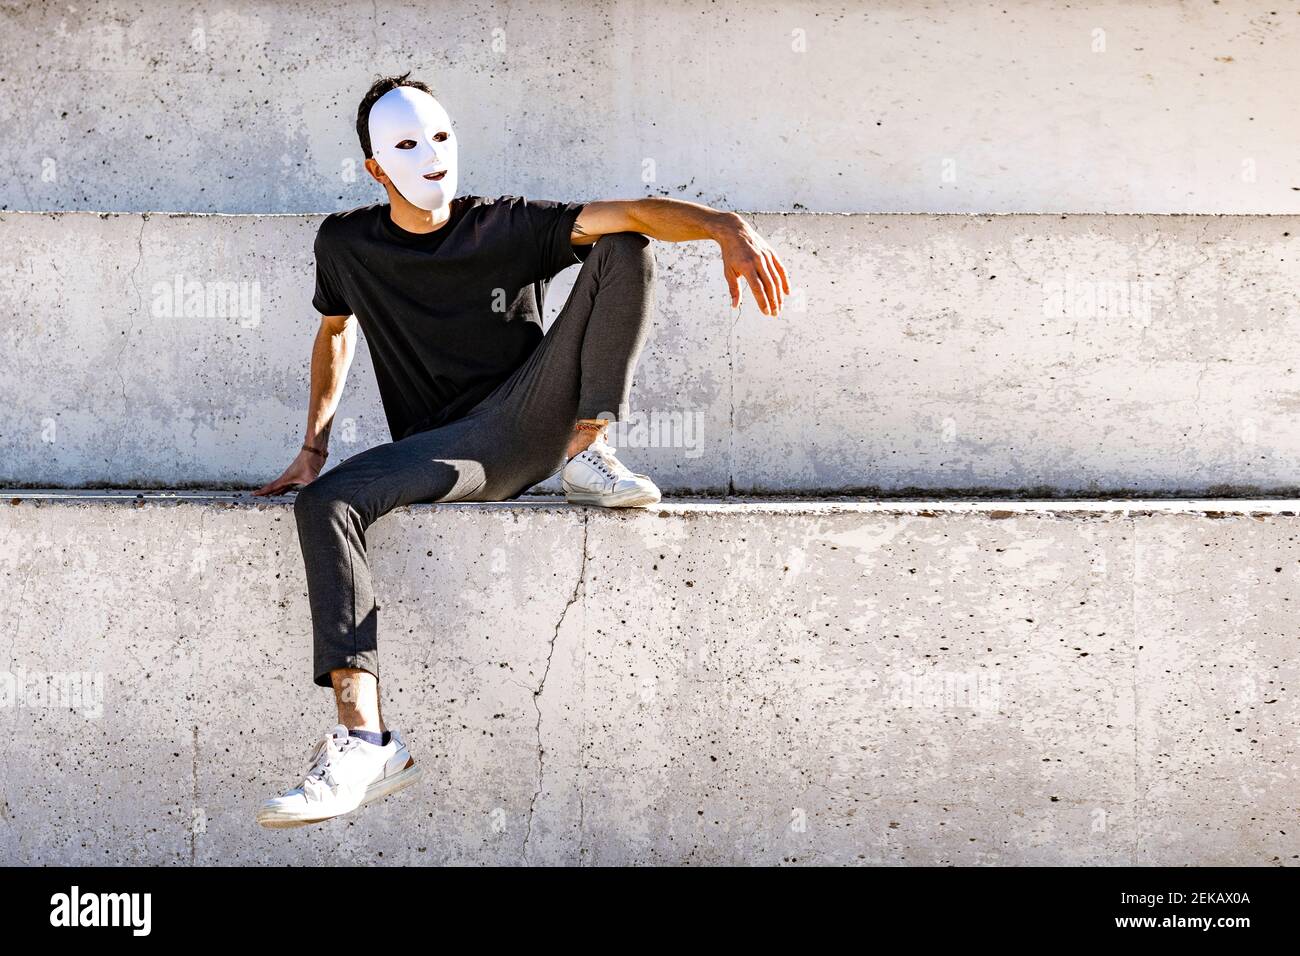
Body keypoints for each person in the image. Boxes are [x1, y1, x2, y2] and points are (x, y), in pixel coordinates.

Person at [251, 73, 789, 827]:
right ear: (376, 169)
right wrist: (314, 446)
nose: (431, 157)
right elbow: (335, 331)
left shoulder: (501, 225)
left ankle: (590, 453)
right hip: (448, 448)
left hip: (532, 421)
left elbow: (631, 213)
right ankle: (366, 739)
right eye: (406, 145)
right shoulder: (346, 243)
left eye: (441, 137)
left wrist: (726, 225)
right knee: (327, 500)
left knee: (623, 245)